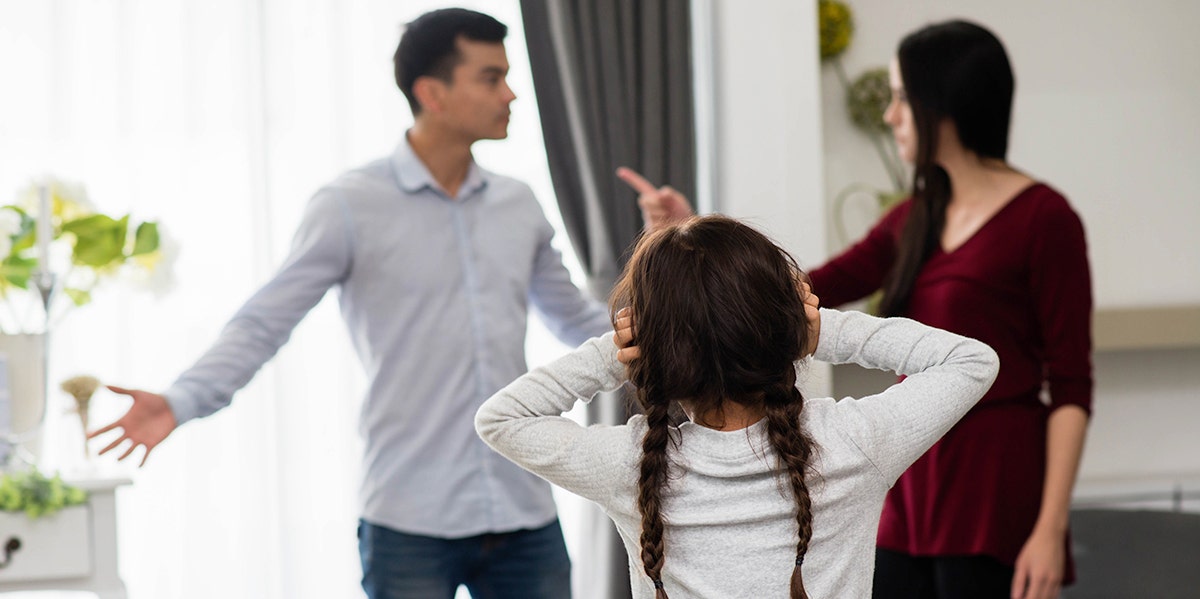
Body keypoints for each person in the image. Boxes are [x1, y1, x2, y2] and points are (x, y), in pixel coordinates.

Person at [90, 8, 613, 599]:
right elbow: (265, 322)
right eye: (492, 78)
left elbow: (577, 322)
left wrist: (667, 275)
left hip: (525, 510)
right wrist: (182, 399)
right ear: (432, 92)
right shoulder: (348, 205)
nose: (512, 94)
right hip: (408, 518)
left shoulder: (518, 205)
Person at [619, 19, 1093, 599]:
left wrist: (1051, 526)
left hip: (994, 489)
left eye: (901, 98)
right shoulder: (913, 218)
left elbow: (1070, 386)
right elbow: (788, 291)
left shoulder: (1045, 220)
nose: (891, 115)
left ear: (945, 101)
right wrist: (691, 251)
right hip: (911, 481)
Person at [476, 214, 1000, 598]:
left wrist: (617, 353)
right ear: (783, 326)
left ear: (658, 351)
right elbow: (971, 361)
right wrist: (821, 329)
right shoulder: (853, 444)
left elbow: (500, 418)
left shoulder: (631, 466)